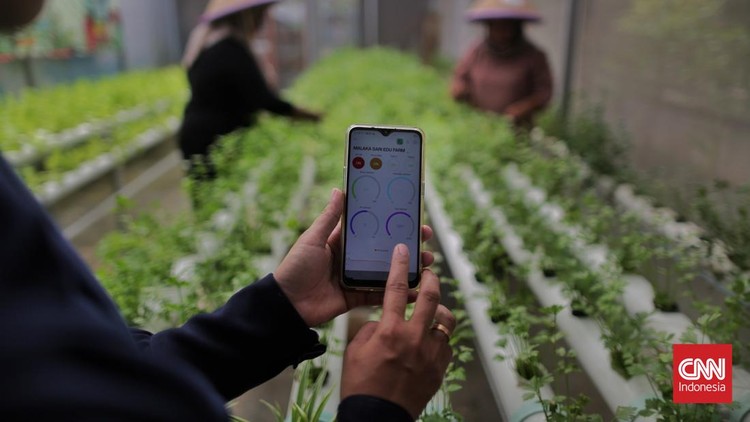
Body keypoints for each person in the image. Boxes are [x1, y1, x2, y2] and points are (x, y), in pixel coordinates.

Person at [0, 1, 455, 420]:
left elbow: (112, 369)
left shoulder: (208, 47)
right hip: (215, 139)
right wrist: (378, 408)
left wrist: (284, 306)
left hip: (200, 138)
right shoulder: (234, 51)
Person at [179, 0, 321, 182]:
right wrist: (309, 115)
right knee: (217, 198)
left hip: (200, 136)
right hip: (211, 141)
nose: (261, 21)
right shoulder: (229, 50)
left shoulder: (210, 44)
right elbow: (264, 100)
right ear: (245, 16)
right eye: (259, 14)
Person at [451, 0, 552, 128]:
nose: (503, 32)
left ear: (518, 27)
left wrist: (524, 108)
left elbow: (544, 93)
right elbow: (460, 77)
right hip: (477, 125)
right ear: (489, 26)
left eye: (508, 26)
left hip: (517, 132)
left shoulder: (534, 56)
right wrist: (460, 89)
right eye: (497, 26)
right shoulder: (476, 52)